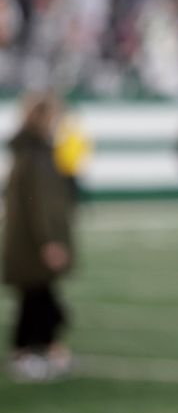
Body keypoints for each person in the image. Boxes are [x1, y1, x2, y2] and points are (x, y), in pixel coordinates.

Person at [1, 92, 75, 381]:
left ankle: (46, 350)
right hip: (34, 244)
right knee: (37, 299)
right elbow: (40, 205)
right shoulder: (34, 154)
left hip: (30, 242)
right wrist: (50, 241)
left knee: (39, 298)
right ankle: (27, 353)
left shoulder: (31, 151)